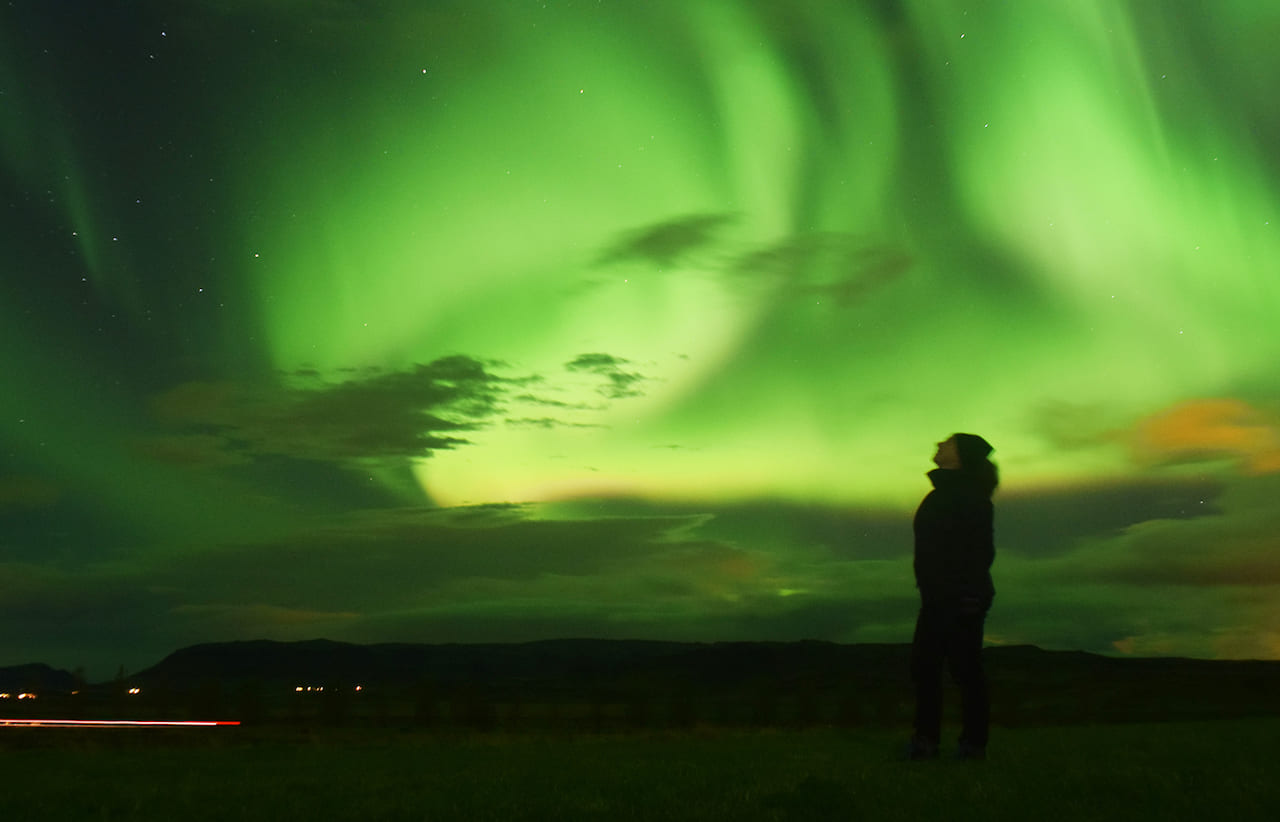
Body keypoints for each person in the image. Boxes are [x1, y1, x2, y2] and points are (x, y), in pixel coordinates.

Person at [906, 433, 997, 761]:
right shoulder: (945, 493)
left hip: (959, 597)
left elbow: (980, 551)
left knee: (964, 670)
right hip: (938, 597)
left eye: (947, 442)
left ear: (959, 455)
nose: (938, 444)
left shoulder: (968, 496)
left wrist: (968, 595)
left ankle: (972, 745)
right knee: (926, 667)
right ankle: (926, 741)